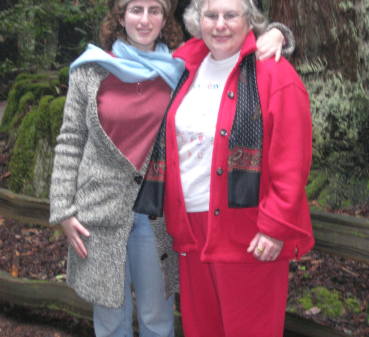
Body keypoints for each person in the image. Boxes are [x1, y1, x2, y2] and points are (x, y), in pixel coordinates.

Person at [49, 0, 294, 336]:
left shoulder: (181, 65)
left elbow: (232, 38)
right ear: (120, 16)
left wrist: (279, 33)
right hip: (99, 215)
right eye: (136, 9)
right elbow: (70, 140)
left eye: (155, 10)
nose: (145, 19)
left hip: (159, 215)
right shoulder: (91, 70)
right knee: (109, 321)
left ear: (166, 19)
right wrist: (63, 208)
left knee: (157, 319)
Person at [133, 0, 315, 336]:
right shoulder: (183, 66)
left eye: (231, 16)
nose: (220, 25)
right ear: (197, 21)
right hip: (190, 228)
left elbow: (293, 157)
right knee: (203, 329)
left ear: (250, 22)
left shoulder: (274, 73)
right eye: (211, 16)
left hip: (248, 230)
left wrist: (276, 224)